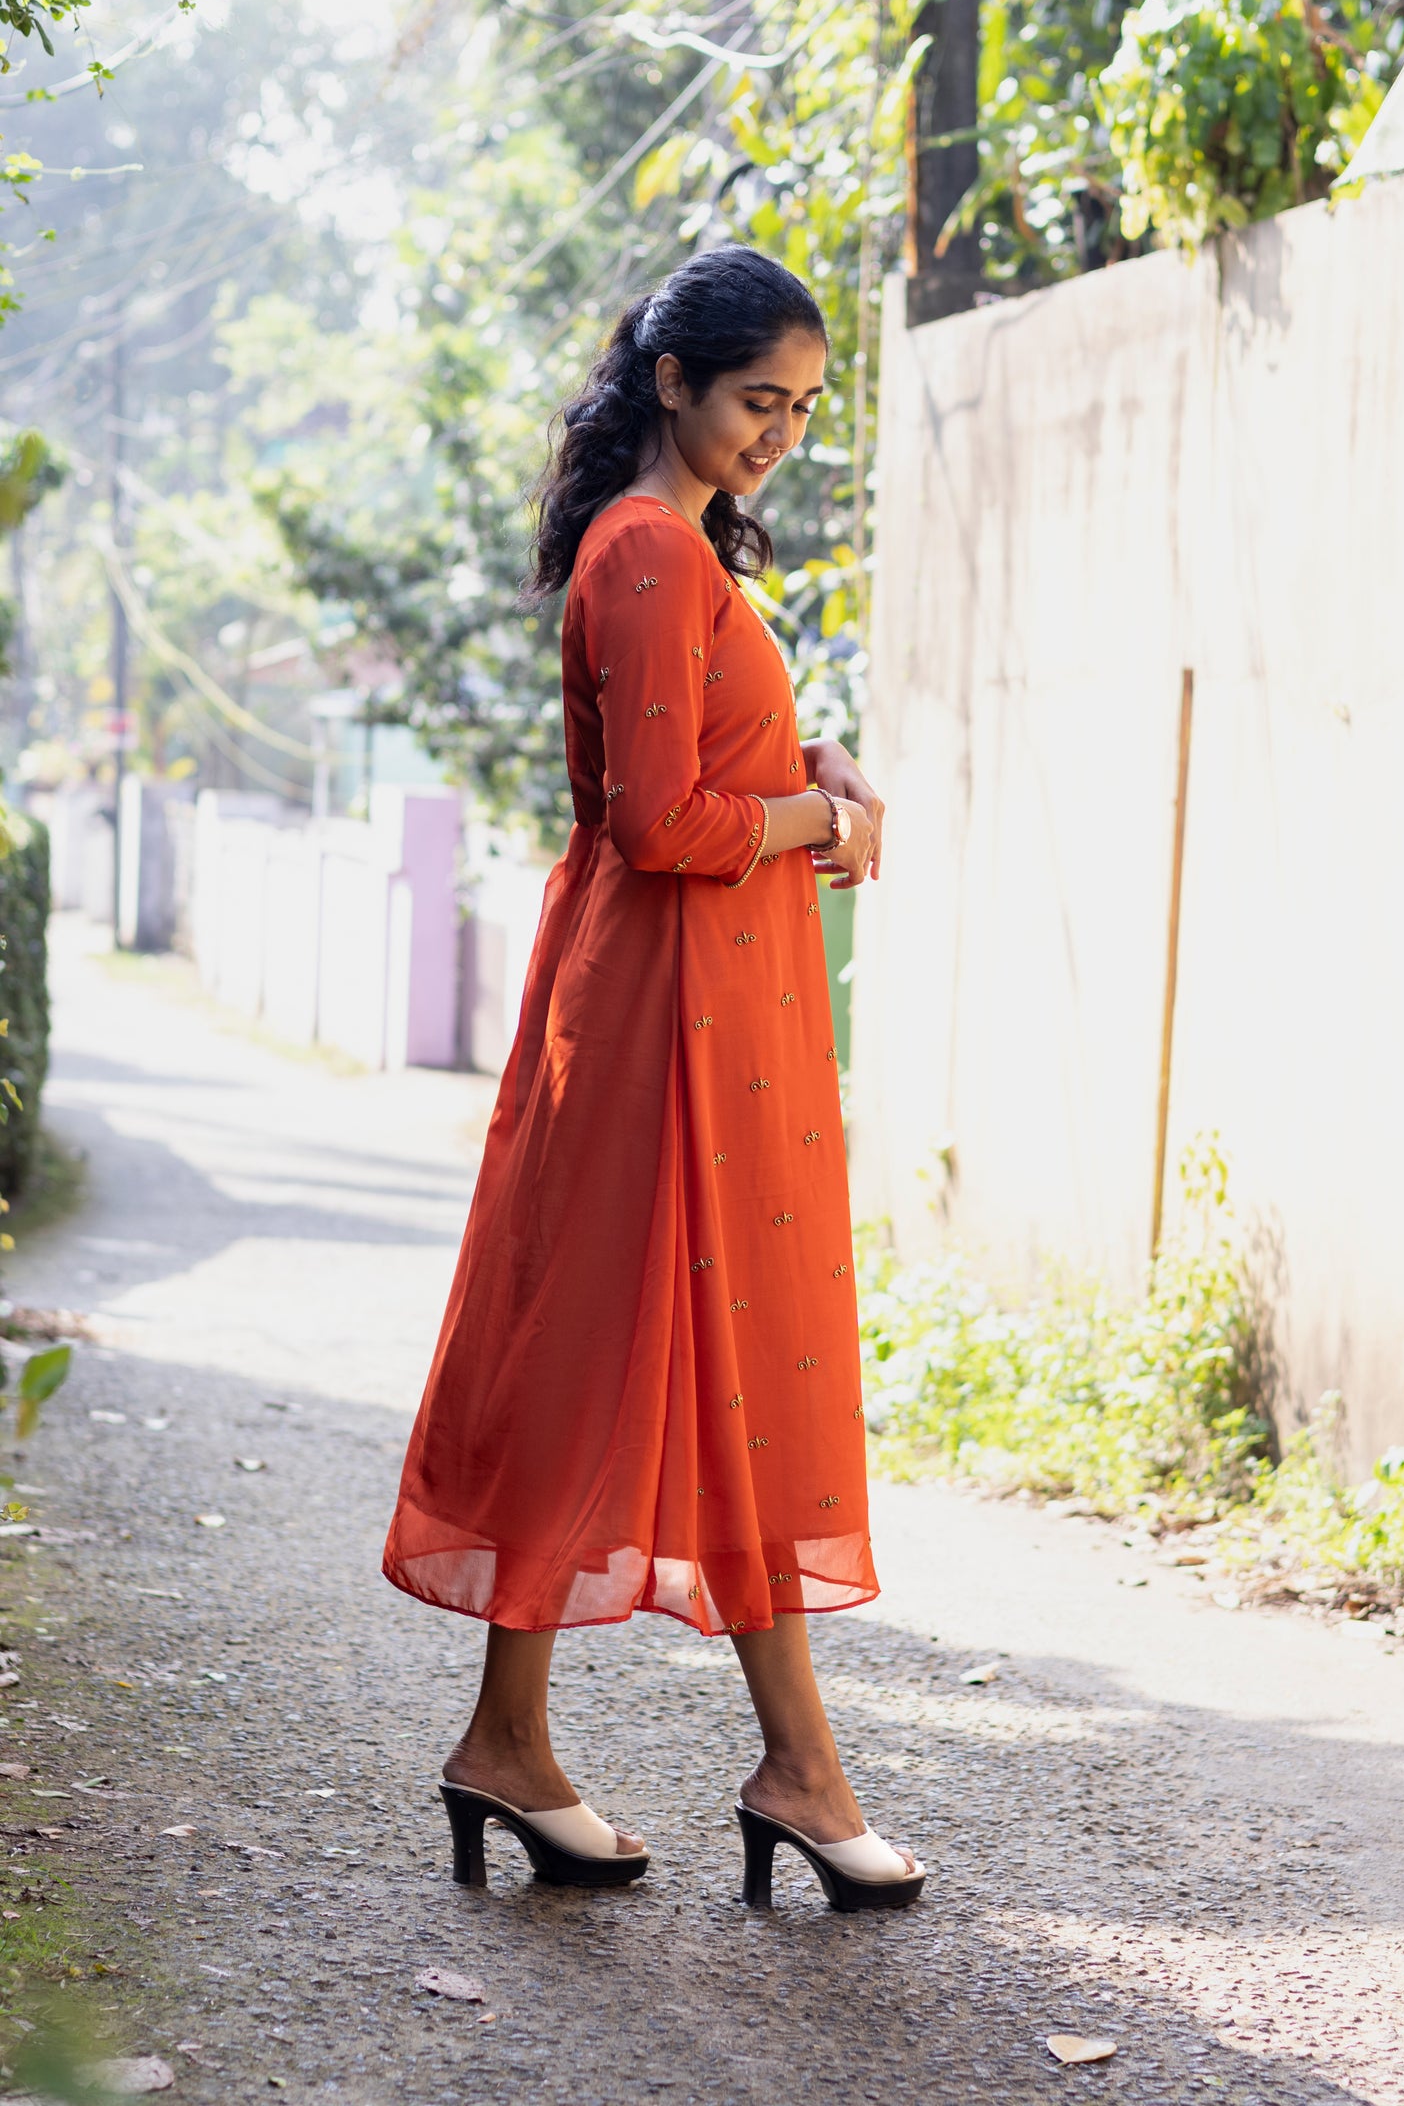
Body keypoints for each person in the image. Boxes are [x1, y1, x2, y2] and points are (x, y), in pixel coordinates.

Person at [383, 245, 924, 1914]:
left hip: (709, 1012)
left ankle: (524, 1743)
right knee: (653, 1364)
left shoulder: (683, 552)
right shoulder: (638, 549)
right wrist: (817, 821)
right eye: (759, 399)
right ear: (672, 381)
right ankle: (787, 1768)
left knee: (677, 1367)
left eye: (804, 410)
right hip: (653, 1029)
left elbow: (716, 761)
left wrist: (813, 761)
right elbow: (661, 821)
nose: (780, 434)